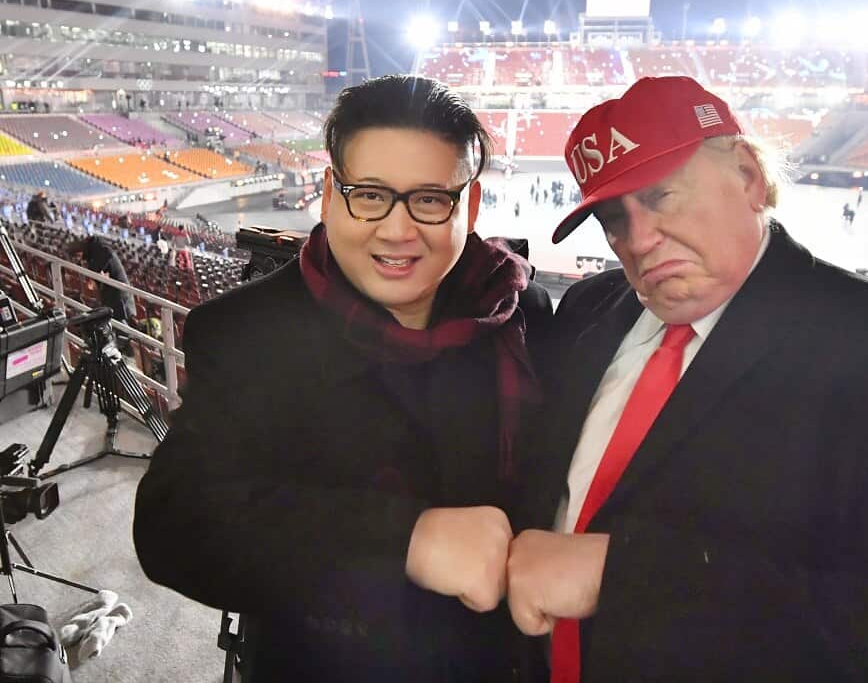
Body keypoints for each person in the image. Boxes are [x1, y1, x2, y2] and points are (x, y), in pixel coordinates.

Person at [506, 77, 868, 682]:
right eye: (613, 219)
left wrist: (621, 577)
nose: (637, 240)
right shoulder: (590, 310)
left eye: (662, 196)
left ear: (749, 176)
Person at [133, 75, 553, 682]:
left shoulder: (524, 316)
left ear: (473, 205)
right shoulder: (246, 331)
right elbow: (177, 524)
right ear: (330, 194)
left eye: (431, 199)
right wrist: (408, 540)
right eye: (369, 195)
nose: (398, 230)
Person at [65, 235, 136, 326]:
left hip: (119, 299)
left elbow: (99, 272)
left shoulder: (101, 249)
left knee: (121, 328)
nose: (78, 258)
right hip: (110, 297)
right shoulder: (93, 251)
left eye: (77, 255)